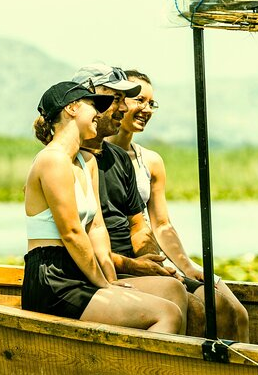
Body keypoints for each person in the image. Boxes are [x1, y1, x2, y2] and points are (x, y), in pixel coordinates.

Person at [22, 80, 185, 334]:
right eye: (93, 106)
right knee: (166, 314)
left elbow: (96, 228)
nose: (100, 114)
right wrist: (104, 285)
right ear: (72, 109)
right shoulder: (52, 160)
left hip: (83, 271)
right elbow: (72, 233)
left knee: (172, 289)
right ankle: (143, 373)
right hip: (53, 278)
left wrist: (110, 278)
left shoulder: (87, 161)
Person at [107, 69, 249, 342]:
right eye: (139, 101)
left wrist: (186, 266)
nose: (146, 109)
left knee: (236, 311)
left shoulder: (150, 160)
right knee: (205, 310)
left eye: (151, 103)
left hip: (155, 251)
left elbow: (161, 224)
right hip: (123, 256)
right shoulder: (95, 156)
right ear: (119, 102)